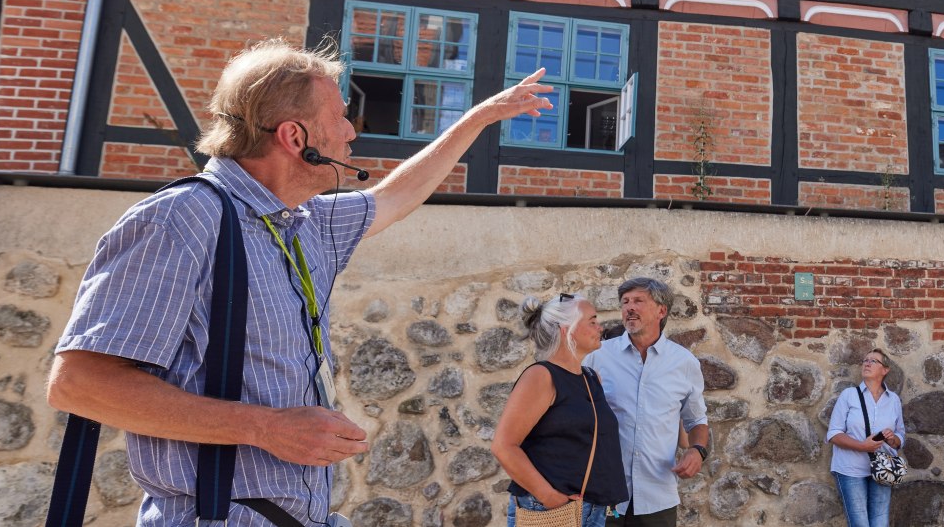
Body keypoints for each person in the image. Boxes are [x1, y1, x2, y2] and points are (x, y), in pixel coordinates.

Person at [46, 40, 553, 525]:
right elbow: (79, 385)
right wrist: (267, 429)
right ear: (295, 138)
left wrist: (481, 116)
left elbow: (398, 196)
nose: (352, 132)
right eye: (339, 118)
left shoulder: (306, 223)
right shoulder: (180, 219)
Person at [583, 278, 711, 527]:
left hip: (657, 497)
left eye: (638, 301)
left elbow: (696, 420)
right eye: (625, 302)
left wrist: (697, 450)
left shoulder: (684, 363)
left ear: (661, 311)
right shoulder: (597, 357)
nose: (629, 307)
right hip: (607, 498)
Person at [494, 295, 629, 526]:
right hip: (552, 510)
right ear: (568, 330)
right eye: (592, 321)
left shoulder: (590, 378)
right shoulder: (541, 376)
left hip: (591, 508)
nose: (601, 327)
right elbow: (504, 446)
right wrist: (549, 497)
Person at [826, 349, 906, 527]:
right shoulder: (849, 395)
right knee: (860, 523)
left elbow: (901, 435)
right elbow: (833, 433)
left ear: (885, 370)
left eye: (873, 361)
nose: (867, 363)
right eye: (865, 360)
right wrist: (862, 446)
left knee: (880, 523)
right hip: (850, 469)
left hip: (883, 470)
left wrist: (893, 439)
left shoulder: (893, 400)